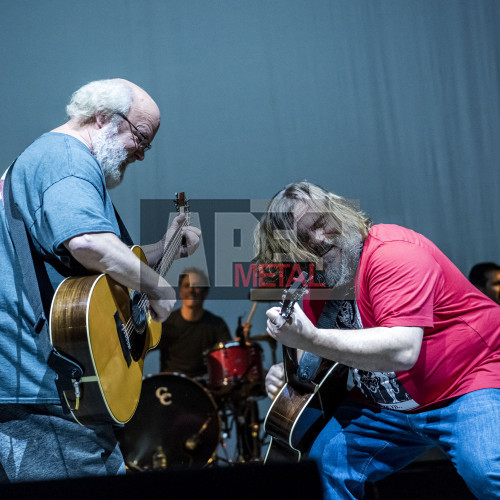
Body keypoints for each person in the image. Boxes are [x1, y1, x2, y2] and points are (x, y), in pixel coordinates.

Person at [0, 78, 201, 482]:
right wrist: (155, 285)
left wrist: (164, 249)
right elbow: (88, 241)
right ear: (103, 117)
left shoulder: (47, 159)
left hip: (44, 387)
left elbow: (85, 262)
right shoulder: (67, 160)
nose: (141, 155)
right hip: (48, 390)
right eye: (141, 138)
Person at [255, 181, 500, 499]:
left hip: (466, 383)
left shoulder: (393, 253)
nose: (318, 240)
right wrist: (289, 368)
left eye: (320, 223)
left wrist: (311, 338)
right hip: (389, 407)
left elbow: (401, 350)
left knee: (488, 473)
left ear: (339, 211)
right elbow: (331, 349)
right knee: (317, 471)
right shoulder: (322, 281)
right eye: (303, 240)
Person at [157, 267, 232, 379]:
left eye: (196, 286)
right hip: (169, 387)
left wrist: (241, 344)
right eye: (187, 286)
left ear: (205, 292)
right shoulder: (165, 322)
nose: (191, 290)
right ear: (180, 292)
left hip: (204, 389)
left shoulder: (217, 325)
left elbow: (228, 357)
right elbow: (143, 349)